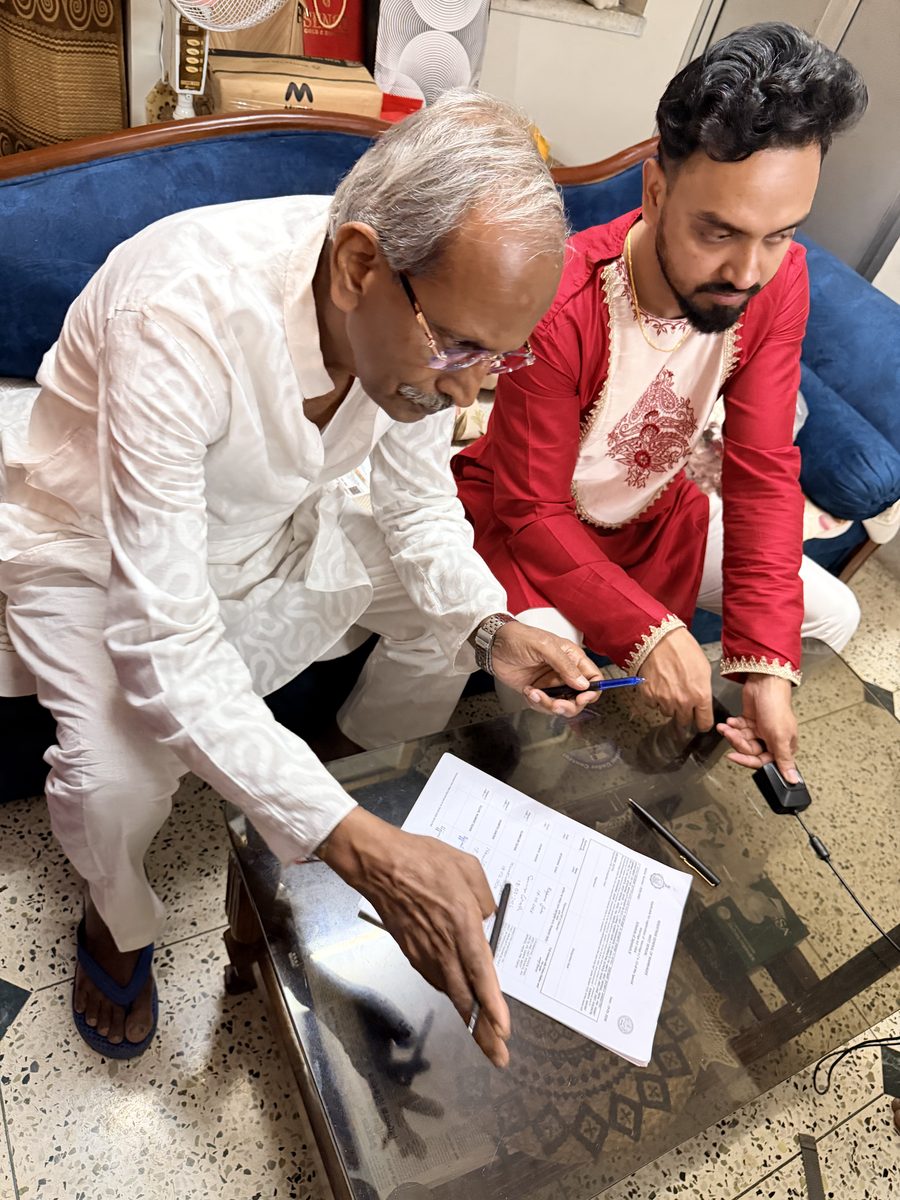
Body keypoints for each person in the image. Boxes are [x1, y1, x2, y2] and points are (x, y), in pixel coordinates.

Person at [0, 91, 604, 1066]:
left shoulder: (411, 335)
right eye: (457, 348)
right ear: (359, 264)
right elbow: (165, 640)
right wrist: (351, 843)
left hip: (283, 524)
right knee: (118, 782)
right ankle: (118, 919)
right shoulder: (179, 317)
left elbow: (411, 511)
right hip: (104, 548)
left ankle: (352, 766)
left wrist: (495, 633)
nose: (468, 391)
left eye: (500, 356)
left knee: (459, 619)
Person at [454, 22, 868, 786]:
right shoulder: (562, 296)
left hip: (655, 517)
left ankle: (689, 774)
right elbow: (531, 508)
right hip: (530, 530)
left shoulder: (781, 280)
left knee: (825, 616)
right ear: (655, 190)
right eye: (719, 231)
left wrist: (765, 666)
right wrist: (652, 634)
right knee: (550, 679)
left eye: (779, 235)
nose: (748, 271)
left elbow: (763, 470)